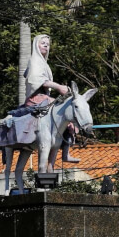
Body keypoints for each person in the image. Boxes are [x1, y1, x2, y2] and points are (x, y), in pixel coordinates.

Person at [23, 34, 79, 163]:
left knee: (67, 112)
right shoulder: (34, 61)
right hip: (35, 98)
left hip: (45, 97)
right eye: (43, 44)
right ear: (36, 45)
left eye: (48, 45)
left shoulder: (43, 63)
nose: (46, 47)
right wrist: (59, 87)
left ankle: (65, 149)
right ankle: (63, 149)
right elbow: (39, 80)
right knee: (63, 109)